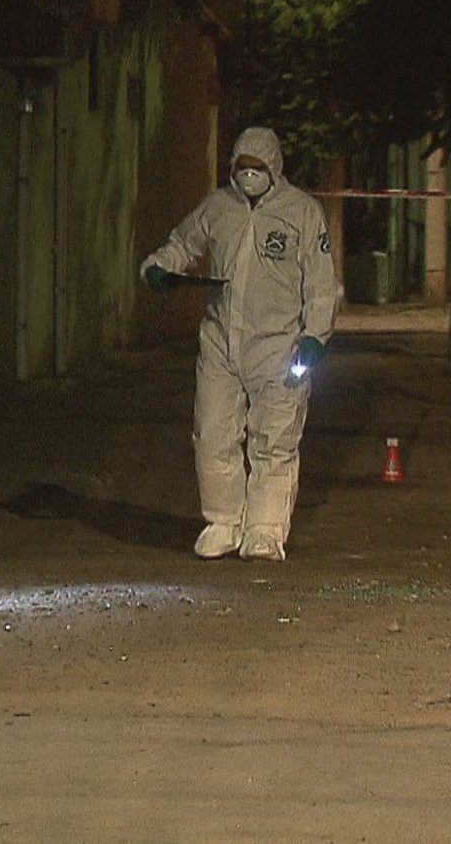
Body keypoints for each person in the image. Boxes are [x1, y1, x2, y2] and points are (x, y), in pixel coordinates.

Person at [140, 127, 337, 561]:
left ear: (274, 167)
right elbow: (183, 243)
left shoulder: (301, 213)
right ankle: (223, 521)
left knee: (274, 440)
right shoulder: (218, 208)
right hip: (221, 342)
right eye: (243, 167)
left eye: (257, 167)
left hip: (279, 345)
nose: (249, 174)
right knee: (212, 433)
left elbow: (321, 282)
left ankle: (265, 529)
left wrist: (314, 336)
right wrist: (158, 267)